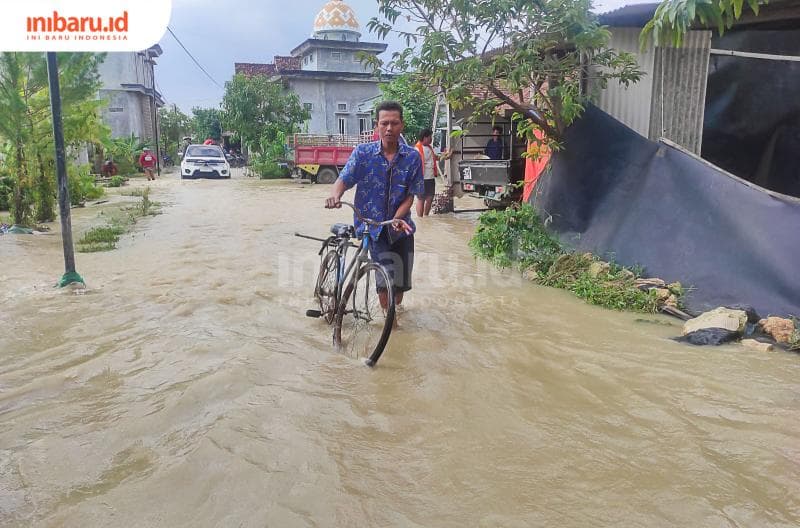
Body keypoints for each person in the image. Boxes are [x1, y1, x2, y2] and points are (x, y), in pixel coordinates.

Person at [325, 101, 424, 312]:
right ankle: (392, 333)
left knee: (399, 293)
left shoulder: (413, 157)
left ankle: (393, 316)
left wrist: (398, 217)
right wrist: (335, 195)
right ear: (376, 126)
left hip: (401, 229)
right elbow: (344, 179)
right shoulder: (363, 153)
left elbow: (411, 195)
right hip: (374, 229)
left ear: (402, 125)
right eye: (385, 123)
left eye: (394, 123)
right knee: (385, 285)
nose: (389, 128)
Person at [414, 128, 449, 217]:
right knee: (421, 199)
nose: (431, 139)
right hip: (421, 178)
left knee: (430, 198)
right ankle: (420, 218)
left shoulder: (429, 147)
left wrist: (445, 156)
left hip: (430, 177)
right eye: (430, 137)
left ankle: (426, 217)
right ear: (425, 137)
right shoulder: (417, 149)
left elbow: (435, 158)